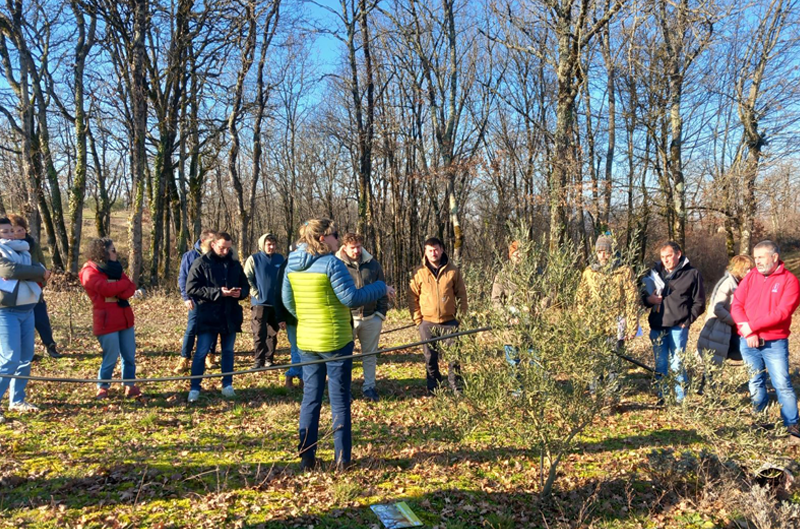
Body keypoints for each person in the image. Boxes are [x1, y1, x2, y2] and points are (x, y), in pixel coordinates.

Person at [281, 218, 394, 470]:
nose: (338, 239)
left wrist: (309, 319)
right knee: (340, 400)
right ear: (323, 238)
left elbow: (288, 303)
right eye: (335, 234)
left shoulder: (291, 264)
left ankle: (307, 460)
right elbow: (351, 298)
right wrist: (380, 287)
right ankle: (343, 461)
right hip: (335, 340)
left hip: (307, 340)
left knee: (310, 399)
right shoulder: (332, 263)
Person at [731, 240, 800, 437]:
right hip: (748, 341)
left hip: (774, 343)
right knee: (755, 382)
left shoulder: (790, 281)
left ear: (775, 257)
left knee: (782, 383)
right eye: (756, 257)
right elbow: (736, 305)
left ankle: (792, 424)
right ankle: (759, 421)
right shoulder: (751, 277)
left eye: (761, 257)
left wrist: (752, 326)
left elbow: (782, 313)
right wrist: (748, 332)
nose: (757, 262)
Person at [185, 231, 249, 403]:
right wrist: (217, 293)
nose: (226, 252)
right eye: (223, 248)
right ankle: (195, 388)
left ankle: (227, 385)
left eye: (229, 248)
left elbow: (245, 285)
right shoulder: (201, 263)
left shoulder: (234, 264)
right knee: (201, 353)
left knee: (228, 352)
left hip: (230, 314)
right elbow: (191, 288)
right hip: (208, 315)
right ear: (213, 245)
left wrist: (240, 293)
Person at [642, 241, 705, 404]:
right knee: (660, 363)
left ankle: (680, 399)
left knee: (677, 363)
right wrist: (649, 299)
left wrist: (687, 321)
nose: (666, 260)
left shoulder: (692, 274)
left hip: (678, 327)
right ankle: (661, 396)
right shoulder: (654, 273)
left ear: (678, 254)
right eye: (663, 257)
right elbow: (644, 298)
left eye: (669, 256)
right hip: (657, 325)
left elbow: (699, 302)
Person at [0, 216, 50, 420]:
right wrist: (35, 272)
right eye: (5, 232)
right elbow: (8, 270)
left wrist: (32, 272)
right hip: (6, 311)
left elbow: (42, 271)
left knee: (25, 357)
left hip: (28, 309)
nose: (10, 234)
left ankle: (17, 399)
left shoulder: (24, 249)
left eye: (11, 230)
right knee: (9, 358)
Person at [79, 238, 142, 400]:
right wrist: (122, 286)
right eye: (113, 250)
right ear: (104, 252)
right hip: (106, 321)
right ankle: (103, 386)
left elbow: (131, 287)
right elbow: (106, 289)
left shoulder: (116, 269)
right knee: (111, 356)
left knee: (129, 355)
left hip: (125, 317)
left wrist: (119, 287)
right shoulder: (89, 271)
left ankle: (129, 384)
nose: (116, 253)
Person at [577, 235, 640, 391]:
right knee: (595, 361)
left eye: (606, 251)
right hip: (595, 324)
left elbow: (632, 299)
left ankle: (613, 395)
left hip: (616, 322)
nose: (603, 255)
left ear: (612, 252)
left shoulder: (624, 271)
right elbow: (580, 298)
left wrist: (632, 325)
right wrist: (585, 319)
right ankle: (595, 393)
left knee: (614, 361)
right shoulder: (589, 272)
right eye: (599, 252)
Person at [408, 237, 468, 395]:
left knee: (454, 356)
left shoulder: (453, 271)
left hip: (450, 322)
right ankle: (433, 385)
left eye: (436, 250)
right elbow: (412, 297)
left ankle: (455, 385)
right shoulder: (419, 273)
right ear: (425, 252)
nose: (433, 253)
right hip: (427, 322)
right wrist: (417, 319)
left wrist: (460, 316)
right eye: (430, 250)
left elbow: (462, 294)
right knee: (430, 357)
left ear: (442, 250)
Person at [335, 232, 389, 402]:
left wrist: (380, 314)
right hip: (347, 318)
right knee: (344, 357)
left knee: (370, 356)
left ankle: (369, 388)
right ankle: (345, 390)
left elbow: (382, 288)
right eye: (353, 248)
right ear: (345, 247)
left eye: (359, 247)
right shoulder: (336, 265)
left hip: (371, 316)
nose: (356, 251)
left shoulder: (373, 264)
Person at [7, 214, 62, 359]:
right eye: (17, 230)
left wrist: (40, 278)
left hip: (35, 290)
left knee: (42, 320)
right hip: (14, 296)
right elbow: (13, 272)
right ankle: (24, 354)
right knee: (18, 328)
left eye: (22, 229)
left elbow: (43, 268)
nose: (21, 232)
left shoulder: (33, 245)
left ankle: (50, 346)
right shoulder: (6, 249)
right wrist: (33, 273)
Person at [696, 255, 755, 365]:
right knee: (713, 363)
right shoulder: (728, 283)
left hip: (732, 330)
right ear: (739, 268)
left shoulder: (742, 283)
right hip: (720, 329)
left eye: (751, 268)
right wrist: (734, 320)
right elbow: (717, 308)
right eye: (747, 268)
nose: (750, 271)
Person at [175, 229, 218, 374]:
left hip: (213, 298)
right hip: (195, 299)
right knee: (192, 328)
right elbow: (183, 278)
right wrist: (186, 298)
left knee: (212, 328)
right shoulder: (189, 256)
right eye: (212, 241)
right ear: (203, 241)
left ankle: (210, 356)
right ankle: (184, 358)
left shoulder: (216, 256)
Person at [244, 233, 285, 369]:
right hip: (259, 303)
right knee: (259, 333)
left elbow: (285, 278)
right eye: (269, 244)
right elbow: (247, 278)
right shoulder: (254, 259)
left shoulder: (280, 259)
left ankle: (269, 359)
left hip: (276, 303)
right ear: (263, 245)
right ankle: (258, 361)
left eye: (273, 244)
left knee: (272, 333)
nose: (271, 247)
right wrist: (255, 293)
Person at [276, 253, 303, 389]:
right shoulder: (285, 266)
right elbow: (278, 292)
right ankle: (292, 374)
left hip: (309, 314)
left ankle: (303, 377)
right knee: (296, 348)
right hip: (291, 316)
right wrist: (280, 317)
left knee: (307, 349)